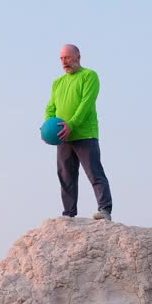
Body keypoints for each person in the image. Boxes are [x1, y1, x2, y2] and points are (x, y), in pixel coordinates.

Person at [45, 44, 113, 220]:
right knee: (66, 176)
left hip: (85, 135)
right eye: (61, 58)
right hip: (63, 137)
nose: (64, 62)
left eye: (67, 57)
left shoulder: (89, 76)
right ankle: (68, 214)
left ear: (78, 57)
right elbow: (51, 107)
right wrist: (47, 126)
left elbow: (86, 104)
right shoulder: (58, 83)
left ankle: (104, 210)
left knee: (95, 173)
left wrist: (71, 124)